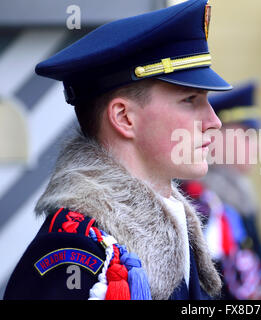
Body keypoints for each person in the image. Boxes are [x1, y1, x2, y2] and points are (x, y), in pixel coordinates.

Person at [4, 0, 233, 300]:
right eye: (190, 99)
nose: (213, 121)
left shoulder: (173, 226)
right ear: (124, 118)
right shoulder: (75, 254)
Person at [180, 81, 261, 300]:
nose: (257, 147)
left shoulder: (237, 196)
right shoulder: (200, 201)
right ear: (216, 138)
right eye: (247, 135)